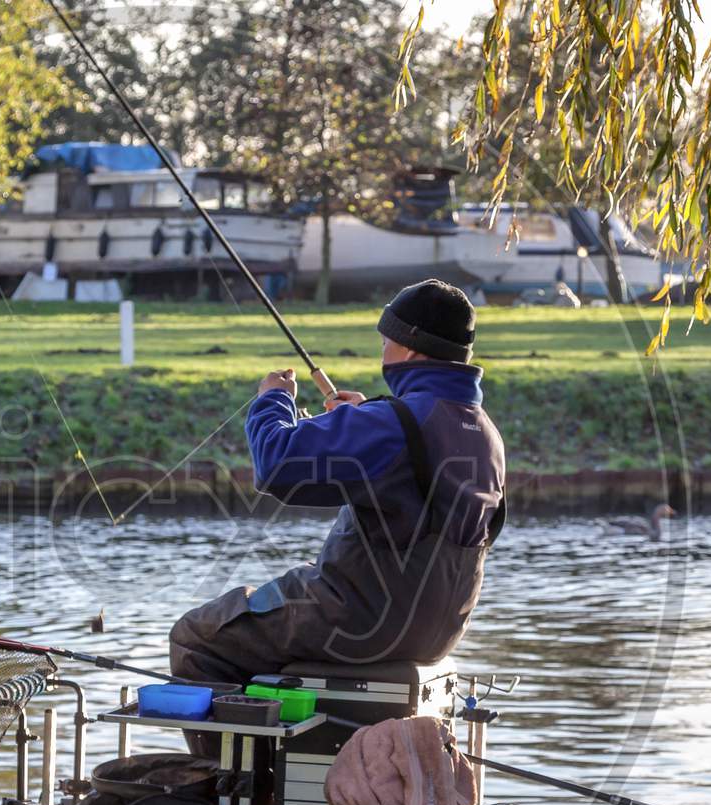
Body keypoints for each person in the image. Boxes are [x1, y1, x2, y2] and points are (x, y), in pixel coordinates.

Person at [170, 278, 506, 686]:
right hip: (438, 633)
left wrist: (273, 399)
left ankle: (226, 752)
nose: (382, 350)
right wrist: (361, 416)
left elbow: (276, 465)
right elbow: (413, 486)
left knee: (197, 637)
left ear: (411, 346)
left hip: (361, 622)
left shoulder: (390, 425)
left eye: (386, 341)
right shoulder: (484, 432)